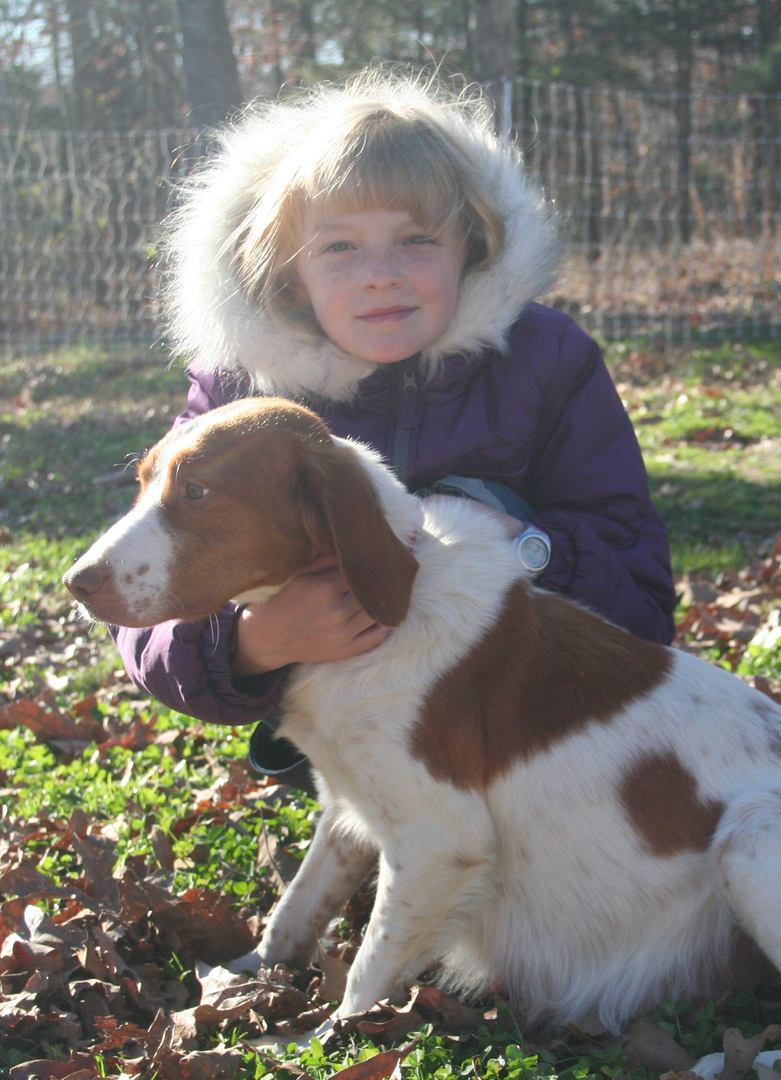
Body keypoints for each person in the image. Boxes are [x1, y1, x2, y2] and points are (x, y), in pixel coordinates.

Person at [111, 74, 675, 781]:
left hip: (537, 741)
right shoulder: (240, 395)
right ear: (289, 275)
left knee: (485, 505)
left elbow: (644, 607)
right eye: (339, 248)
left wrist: (526, 549)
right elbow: (147, 590)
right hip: (347, 743)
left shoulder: (546, 361)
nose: (380, 275)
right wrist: (257, 640)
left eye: (415, 239)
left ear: (470, 247)